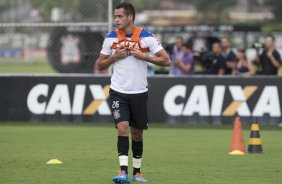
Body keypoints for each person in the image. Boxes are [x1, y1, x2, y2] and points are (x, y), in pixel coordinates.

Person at [97, 3, 170, 183]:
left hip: (139, 92)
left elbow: (166, 60)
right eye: (115, 16)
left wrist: (144, 56)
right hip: (118, 91)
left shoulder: (147, 37)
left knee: (137, 133)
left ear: (130, 17)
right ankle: (123, 172)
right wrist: (114, 57)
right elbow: (100, 64)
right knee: (122, 129)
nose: (116, 20)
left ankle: (137, 173)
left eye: (120, 16)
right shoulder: (111, 37)